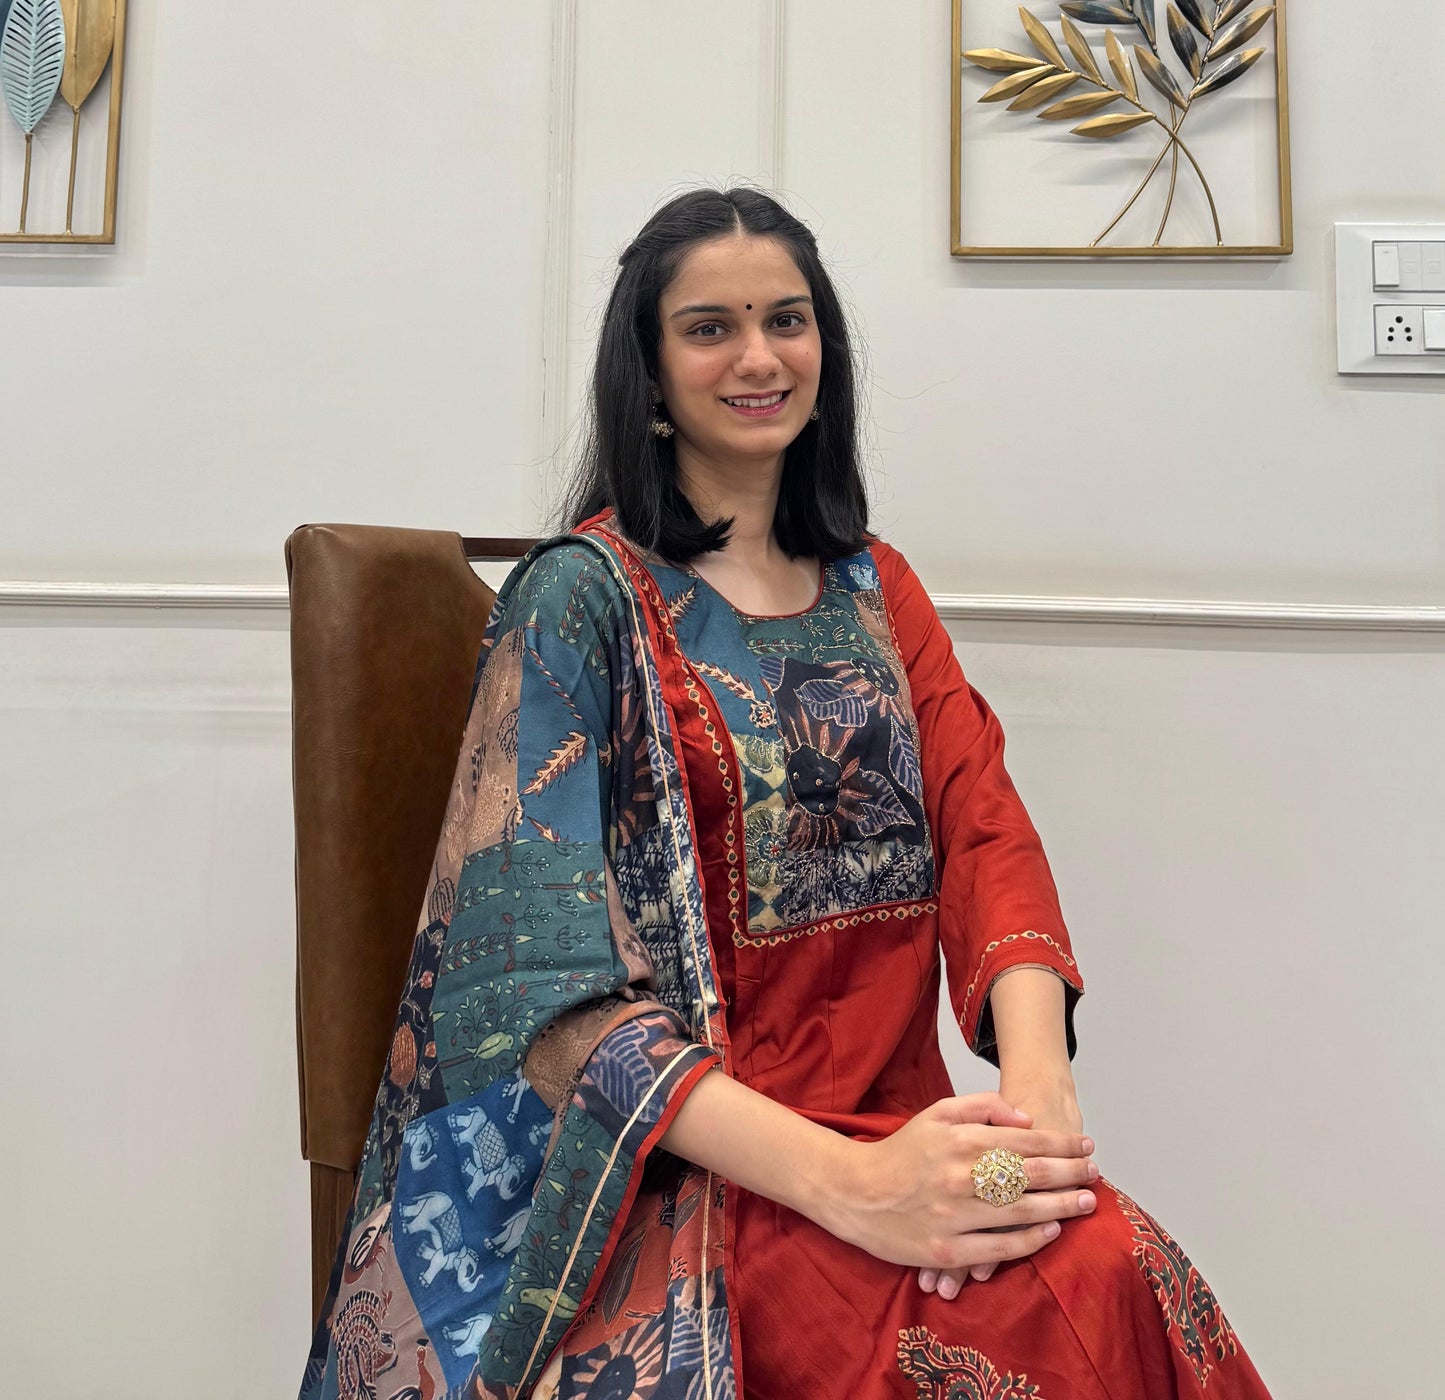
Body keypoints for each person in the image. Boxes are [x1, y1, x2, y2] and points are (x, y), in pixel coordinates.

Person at [299, 187, 1271, 1400]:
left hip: (900, 1131)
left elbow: (983, 826)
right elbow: (546, 992)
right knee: (1044, 1306)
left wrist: (1032, 1104)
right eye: (709, 327)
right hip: (684, 1179)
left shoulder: (875, 586)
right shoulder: (578, 605)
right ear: (647, 372)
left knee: (1103, 1255)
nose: (758, 356)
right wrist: (855, 1190)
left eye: (787, 320)